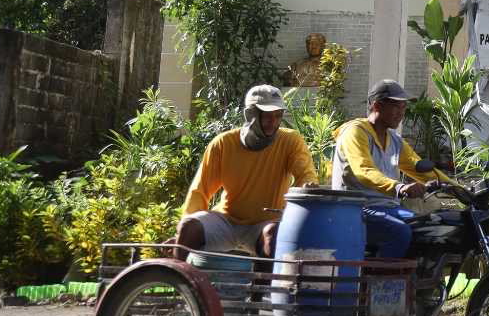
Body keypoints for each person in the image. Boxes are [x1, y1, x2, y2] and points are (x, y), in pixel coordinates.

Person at [177, 84, 317, 258]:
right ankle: (179, 283)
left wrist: (308, 185)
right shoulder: (223, 143)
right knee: (189, 226)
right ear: (249, 115)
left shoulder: (290, 141)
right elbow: (200, 191)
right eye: (266, 116)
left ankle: (265, 286)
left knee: (273, 234)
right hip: (226, 220)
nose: (273, 122)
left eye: (278, 116)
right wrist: (181, 234)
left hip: (264, 225)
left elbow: (306, 175)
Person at [331, 79, 452, 258]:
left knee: (429, 228)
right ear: (377, 106)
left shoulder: (394, 140)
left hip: (387, 208)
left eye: (404, 107)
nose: (401, 113)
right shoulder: (356, 132)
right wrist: (399, 187)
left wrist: (458, 189)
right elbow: (363, 170)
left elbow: (418, 166)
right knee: (399, 231)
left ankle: (420, 280)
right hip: (356, 209)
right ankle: (384, 284)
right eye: (397, 106)